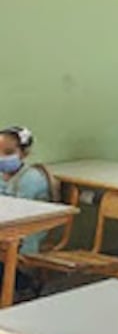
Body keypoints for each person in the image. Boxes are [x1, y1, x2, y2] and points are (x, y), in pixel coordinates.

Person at [1, 126, 51, 299]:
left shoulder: (31, 178)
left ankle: (24, 284)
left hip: (27, 232)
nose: (1, 157)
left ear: (24, 153)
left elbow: (19, 213)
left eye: (8, 152)